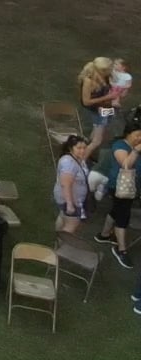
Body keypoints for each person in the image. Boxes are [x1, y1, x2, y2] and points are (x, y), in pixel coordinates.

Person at [93, 119, 141, 269]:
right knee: (123, 216)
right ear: (128, 134)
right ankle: (121, 249)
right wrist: (136, 150)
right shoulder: (119, 146)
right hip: (120, 187)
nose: (139, 138)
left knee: (117, 210)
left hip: (131, 187)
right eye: (137, 135)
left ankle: (104, 235)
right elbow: (126, 164)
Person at [56, 134, 94, 234]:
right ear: (71, 148)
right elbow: (66, 184)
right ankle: (63, 246)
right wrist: (70, 204)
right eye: (79, 148)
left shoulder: (77, 159)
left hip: (71, 198)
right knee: (71, 226)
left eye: (84, 148)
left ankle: (57, 241)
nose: (82, 150)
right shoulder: (69, 163)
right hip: (71, 200)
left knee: (63, 217)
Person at [81, 57, 119, 156]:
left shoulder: (105, 76)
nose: (112, 71)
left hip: (105, 108)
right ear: (102, 71)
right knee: (97, 141)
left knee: (97, 128)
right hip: (96, 110)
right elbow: (86, 102)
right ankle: (81, 160)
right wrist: (107, 97)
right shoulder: (88, 81)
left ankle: (85, 146)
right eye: (110, 69)